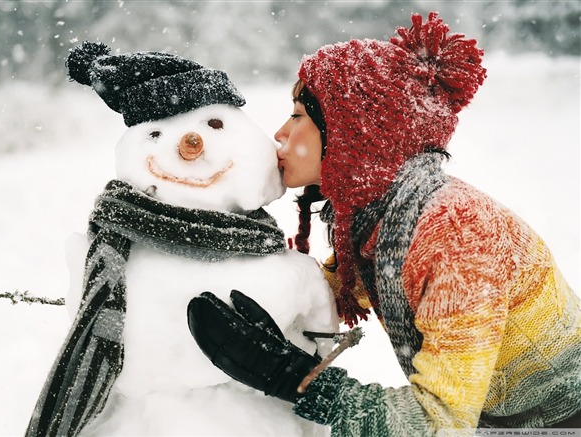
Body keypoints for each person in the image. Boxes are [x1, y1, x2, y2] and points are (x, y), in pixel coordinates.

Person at [187, 11, 581, 436]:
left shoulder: (455, 234)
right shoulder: (380, 220)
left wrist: (292, 379)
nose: (280, 133)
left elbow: (437, 424)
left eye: (299, 114)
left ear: (352, 132)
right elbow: (332, 289)